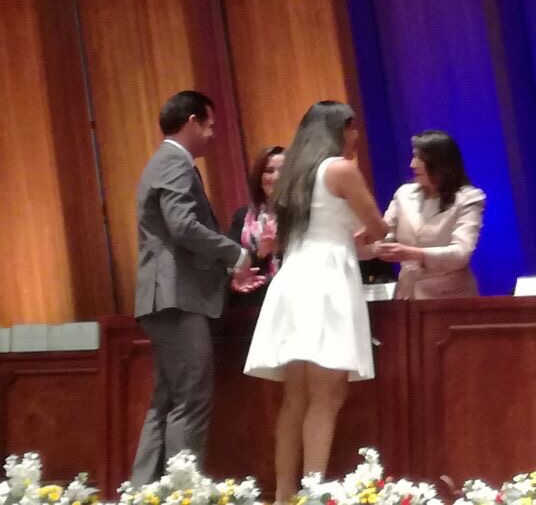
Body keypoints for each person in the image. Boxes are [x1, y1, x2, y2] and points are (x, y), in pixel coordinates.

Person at [243, 101, 388, 503]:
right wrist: (369, 234)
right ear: (338, 129)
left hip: (293, 278)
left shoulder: (294, 175)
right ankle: (311, 494)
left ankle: (284, 495)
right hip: (326, 283)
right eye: (352, 127)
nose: (355, 135)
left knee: (296, 400)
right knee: (327, 397)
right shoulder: (340, 169)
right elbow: (378, 226)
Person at [131, 90, 263, 484]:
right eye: (210, 125)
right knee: (191, 399)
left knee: (167, 400)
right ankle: (183, 492)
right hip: (176, 297)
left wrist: (226, 271)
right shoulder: (175, 162)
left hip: (166, 295)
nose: (213, 134)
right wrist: (235, 254)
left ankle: (145, 490)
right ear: (191, 121)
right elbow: (183, 226)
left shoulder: (164, 161)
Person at [373, 130, 486, 298]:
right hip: (408, 296)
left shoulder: (468, 198)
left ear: (441, 163)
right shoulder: (404, 194)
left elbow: (461, 253)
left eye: (420, 158)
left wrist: (415, 253)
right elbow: (384, 235)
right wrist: (372, 243)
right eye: (413, 157)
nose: (412, 164)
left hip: (450, 298)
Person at [227, 145, 286, 308]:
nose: (276, 177)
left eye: (283, 171)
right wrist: (261, 253)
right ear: (259, 178)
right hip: (257, 303)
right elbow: (231, 264)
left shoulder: (303, 214)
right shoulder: (242, 217)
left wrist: (282, 246)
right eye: (269, 171)